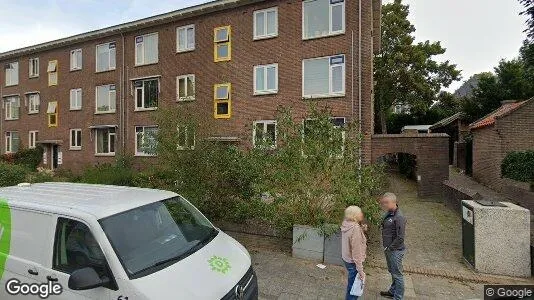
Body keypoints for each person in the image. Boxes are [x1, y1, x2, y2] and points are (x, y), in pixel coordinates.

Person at [379, 192, 407, 300]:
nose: (384, 205)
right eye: (383, 203)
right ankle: (392, 291)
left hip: (395, 250)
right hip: (389, 249)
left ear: (393, 202)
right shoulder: (389, 213)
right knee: (392, 271)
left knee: (397, 275)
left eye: (386, 203)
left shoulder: (399, 217)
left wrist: (390, 248)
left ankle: (398, 297)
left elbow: (400, 238)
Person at [341, 206, 367, 300]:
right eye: (360, 213)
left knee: (351, 285)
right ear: (355, 215)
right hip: (353, 262)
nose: (362, 214)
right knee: (354, 289)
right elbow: (356, 252)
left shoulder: (346, 223)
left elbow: (350, 238)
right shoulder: (355, 228)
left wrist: (361, 230)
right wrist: (360, 271)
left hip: (346, 258)